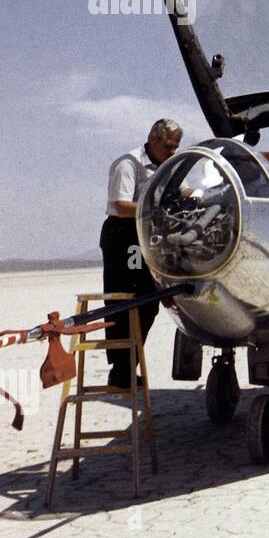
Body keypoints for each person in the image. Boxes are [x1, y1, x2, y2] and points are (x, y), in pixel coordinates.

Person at [101, 118, 182, 387]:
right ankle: (120, 369)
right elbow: (121, 204)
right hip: (124, 236)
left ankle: (126, 367)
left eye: (176, 147)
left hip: (145, 235)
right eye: (169, 146)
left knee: (148, 302)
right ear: (153, 139)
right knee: (128, 298)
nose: (172, 152)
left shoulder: (165, 167)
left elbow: (177, 191)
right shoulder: (129, 163)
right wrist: (153, 210)